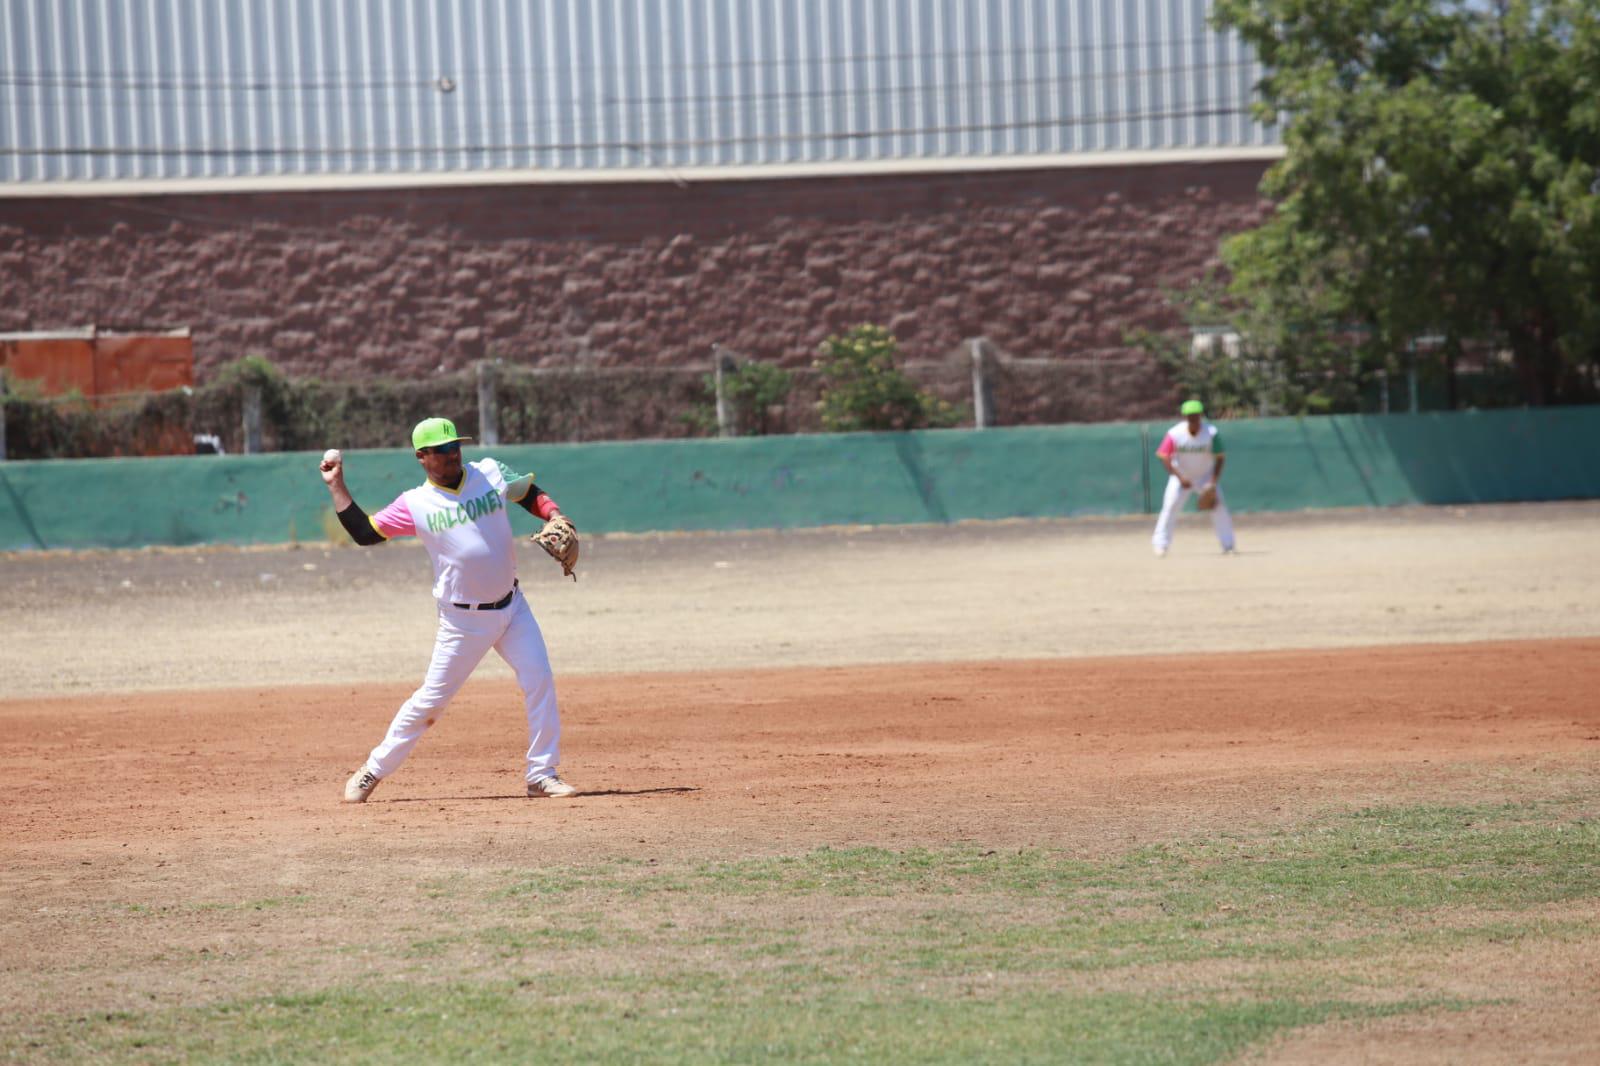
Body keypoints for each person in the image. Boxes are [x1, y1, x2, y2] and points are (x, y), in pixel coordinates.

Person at [319, 416, 578, 802]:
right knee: (430, 702)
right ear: (422, 457)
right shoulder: (415, 503)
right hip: (463, 621)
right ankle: (372, 770)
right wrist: (337, 486)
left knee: (539, 679)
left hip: (513, 606)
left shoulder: (489, 472)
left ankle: (541, 774)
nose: (452, 454)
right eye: (441, 450)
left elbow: (527, 492)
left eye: (455, 445)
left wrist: (554, 515)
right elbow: (365, 532)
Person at [1151, 399, 1235, 556]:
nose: (1193, 418)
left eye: (1196, 415)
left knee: (1219, 507)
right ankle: (1161, 544)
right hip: (1181, 477)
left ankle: (1228, 545)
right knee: (1170, 507)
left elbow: (1220, 457)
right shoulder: (1174, 433)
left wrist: (1212, 482)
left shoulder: (1211, 432)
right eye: (1190, 415)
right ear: (1184, 417)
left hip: (1205, 476)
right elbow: (1164, 456)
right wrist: (1180, 477)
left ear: (1201, 415)